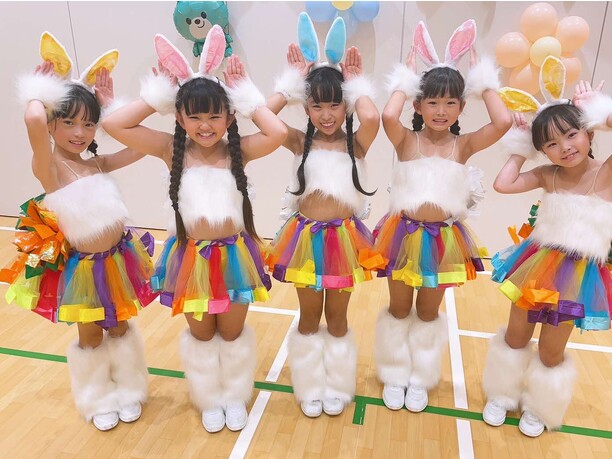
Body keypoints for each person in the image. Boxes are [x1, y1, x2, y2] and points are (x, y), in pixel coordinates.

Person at [102, 26, 287, 433]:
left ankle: (234, 394)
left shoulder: (238, 151)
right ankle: (209, 397)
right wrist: (156, 95)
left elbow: (277, 133)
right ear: (179, 116)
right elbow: (115, 125)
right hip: (190, 260)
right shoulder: (172, 149)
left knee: (232, 333)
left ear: (229, 117)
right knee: (202, 334)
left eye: (214, 115)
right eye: (195, 116)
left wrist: (246, 94)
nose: (205, 125)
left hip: (235, 258)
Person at [483, 56, 612, 437]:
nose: (565, 147)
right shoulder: (547, 174)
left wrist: (599, 110)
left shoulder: (611, 171)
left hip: (577, 277)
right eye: (551, 144)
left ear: (588, 131)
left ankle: (540, 406)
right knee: (516, 335)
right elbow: (503, 184)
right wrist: (521, 145)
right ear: (544, 151)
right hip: (536, 266)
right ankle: (503, 393)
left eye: (572, 135)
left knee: (551, 350)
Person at [3, 32, 155, 431]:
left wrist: (112, 108)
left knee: (119, 327)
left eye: (88, 124)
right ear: (52, 123)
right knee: (90, 335)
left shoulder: (96, 163)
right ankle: (98, 398)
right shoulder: (49, 170)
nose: (79, 132)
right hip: (83, 269)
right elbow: (33, 119)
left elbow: (141, 147)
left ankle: (129, 388)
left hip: (117, 261)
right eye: (68, 122)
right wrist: (40, 91)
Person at [375, 20, 511, 412]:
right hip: (402, 236)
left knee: (427, 311)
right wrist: (405, 79)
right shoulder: (407, 140)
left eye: (451, 102)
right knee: (399, 308)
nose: (441, 110)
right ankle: (395, 371)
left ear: (462, 108)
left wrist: (483, 78)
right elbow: (388, 116)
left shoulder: (463, 145)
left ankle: (420, 376)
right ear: (418, 106)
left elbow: (503, 122)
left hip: (442, 241)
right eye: (432, 102)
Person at [265, 13, 381, 418]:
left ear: (346, 105)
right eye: (317, 105)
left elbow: (372, 118)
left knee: (337, 317)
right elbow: (264, 117)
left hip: (345, 240)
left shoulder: (356, 144)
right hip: (305, 240)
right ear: (307, 107)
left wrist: (357, 82)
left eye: (335, 104)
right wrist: (292, 83)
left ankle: (337, 383)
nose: (327, 114)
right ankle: (309, 384)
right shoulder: (300, 141)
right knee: (309, 316)